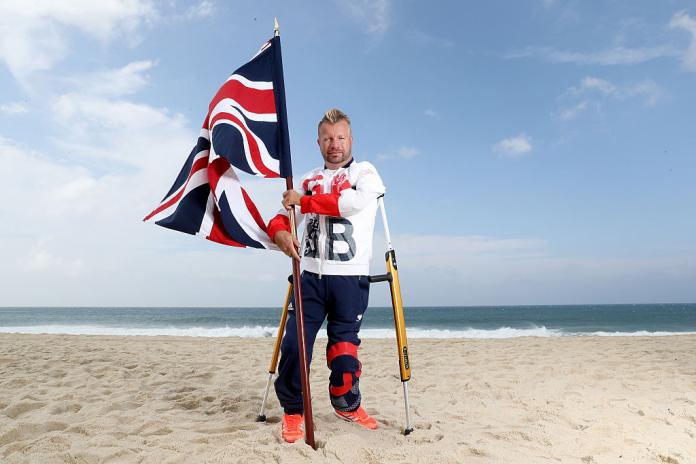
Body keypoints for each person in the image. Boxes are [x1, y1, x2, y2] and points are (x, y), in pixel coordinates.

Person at [266, 108, 385, 443]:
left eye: (341, 137)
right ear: (318, 141)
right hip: (311, 278)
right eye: (328, 138)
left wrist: (305, 201)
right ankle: (293, 412)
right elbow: (280, 217)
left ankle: (346, 404)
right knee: (294, 346)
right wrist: (280, 234)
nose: (335, 144)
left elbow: (351, 203)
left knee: (344, 350)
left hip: (350, 277)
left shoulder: (365, 172)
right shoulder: (306, 180)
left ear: (351, 139)